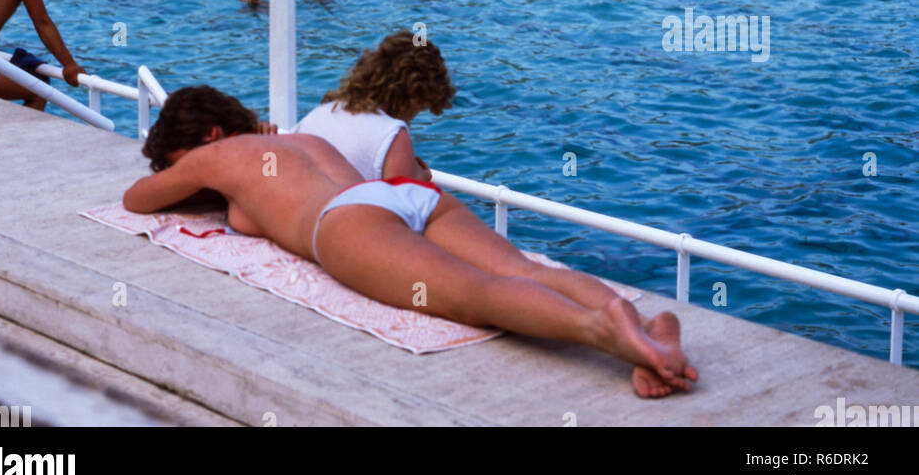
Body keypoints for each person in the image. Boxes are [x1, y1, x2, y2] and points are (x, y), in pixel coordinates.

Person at [125, 87, 698, 400]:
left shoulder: (214, 155)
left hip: (346, 226)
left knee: (474, 294)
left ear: (206, 137)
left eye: (183, 158)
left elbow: (139, 198)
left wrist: (192, 175)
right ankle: (640, 328)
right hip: (398, 194)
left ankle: (607, 333)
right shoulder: (298, 139)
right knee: (521, 267)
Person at [295, 30, 455, 181]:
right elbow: (400, 205)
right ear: (413, 96)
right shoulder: (392, 135)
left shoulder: (322, 113)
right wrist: (420, 179)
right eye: (421, 106)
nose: (414, 116)